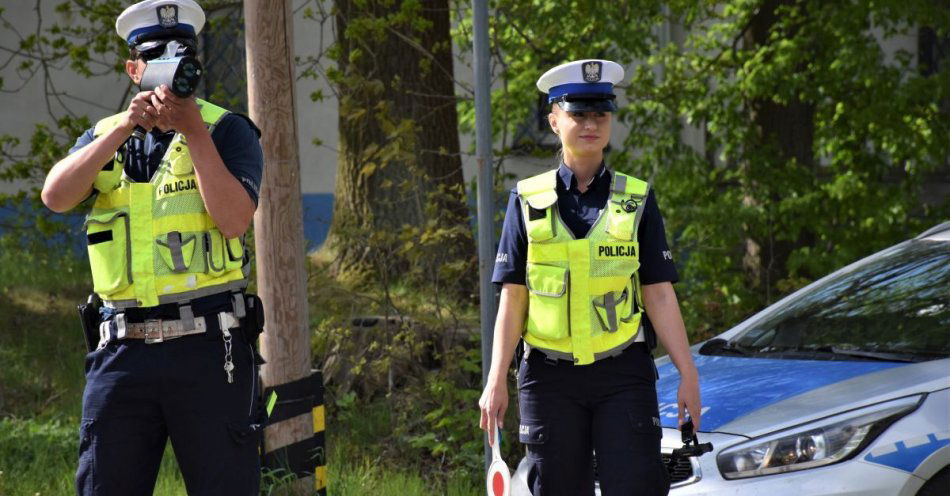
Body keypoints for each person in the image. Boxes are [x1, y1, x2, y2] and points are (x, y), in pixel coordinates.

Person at [40, 1, 265, 494]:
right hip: (120, 351)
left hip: (210, 348)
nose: (171, 65)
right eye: (156, 56)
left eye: (183, 54)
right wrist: (124, 126)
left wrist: (193, 132)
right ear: (133, 68)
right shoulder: (107, 135)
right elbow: (55, 196)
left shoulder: (227, 130)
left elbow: (233, 220)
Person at [478, 59, 702, 496]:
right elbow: (513, 297)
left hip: (624, 374)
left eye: (600, 114)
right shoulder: (526, 199)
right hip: (548, 378)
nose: (590, 124)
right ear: (554, 120)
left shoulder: (636, 199)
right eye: (578, 113)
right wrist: (495, 378)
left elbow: (658, 293)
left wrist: (687, 373)